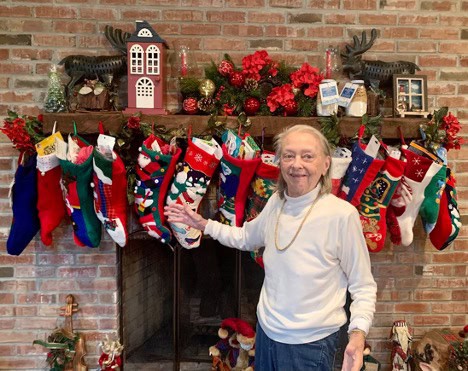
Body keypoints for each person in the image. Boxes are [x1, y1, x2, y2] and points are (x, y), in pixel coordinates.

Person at [164, 124, 377, 371]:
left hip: (310, 344)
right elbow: (246, 237)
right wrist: (203, 224)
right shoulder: (276, 202)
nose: (297, 164)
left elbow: (363, 285)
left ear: (325, 164)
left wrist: (358, 334)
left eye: (307, 156)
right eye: (288, 155)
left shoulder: (342, 215)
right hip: (267, 334)